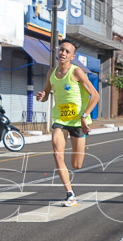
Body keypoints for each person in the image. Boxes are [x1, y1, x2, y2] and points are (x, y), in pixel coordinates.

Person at [35, 38, 100, 207]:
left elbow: (96, 96)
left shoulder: (77, 72)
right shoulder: (52, 72)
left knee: (76, 165)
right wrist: (42, 96)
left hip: (78, 121)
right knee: (57, 154)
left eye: (67, 51)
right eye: (61, 50)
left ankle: (71, 186)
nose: (63, 53)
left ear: (72, 56)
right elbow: (47, 93)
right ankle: (69, 194)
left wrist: (85, 116)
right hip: (60, 120)